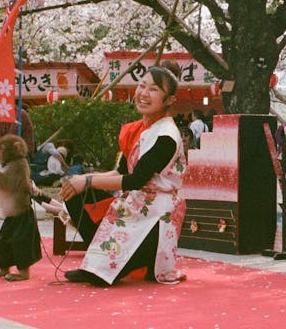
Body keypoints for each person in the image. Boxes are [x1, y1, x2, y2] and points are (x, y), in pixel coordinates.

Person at [54, 63, 188, 286]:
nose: (144, 94)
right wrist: (81, 182)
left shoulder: (166, 135)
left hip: (155, 216)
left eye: (154, 89)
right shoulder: (142, 129)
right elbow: (122, 172)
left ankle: (135, 259)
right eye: (142, 86)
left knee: (102, 279)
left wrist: (88, 180)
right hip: (134, 204)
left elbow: (136, 180)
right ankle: (96, 260)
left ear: (169, 100)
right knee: (74, 195)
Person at [0, 134, 41, 282]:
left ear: (15, 149)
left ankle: (24, 273)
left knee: (20, 243)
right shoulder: (8, 165)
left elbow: (6, 185)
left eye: (1, 150)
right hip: (11, 215)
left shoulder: (19, 164)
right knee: (3, 240)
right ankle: (4, 269)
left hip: (22, 214)